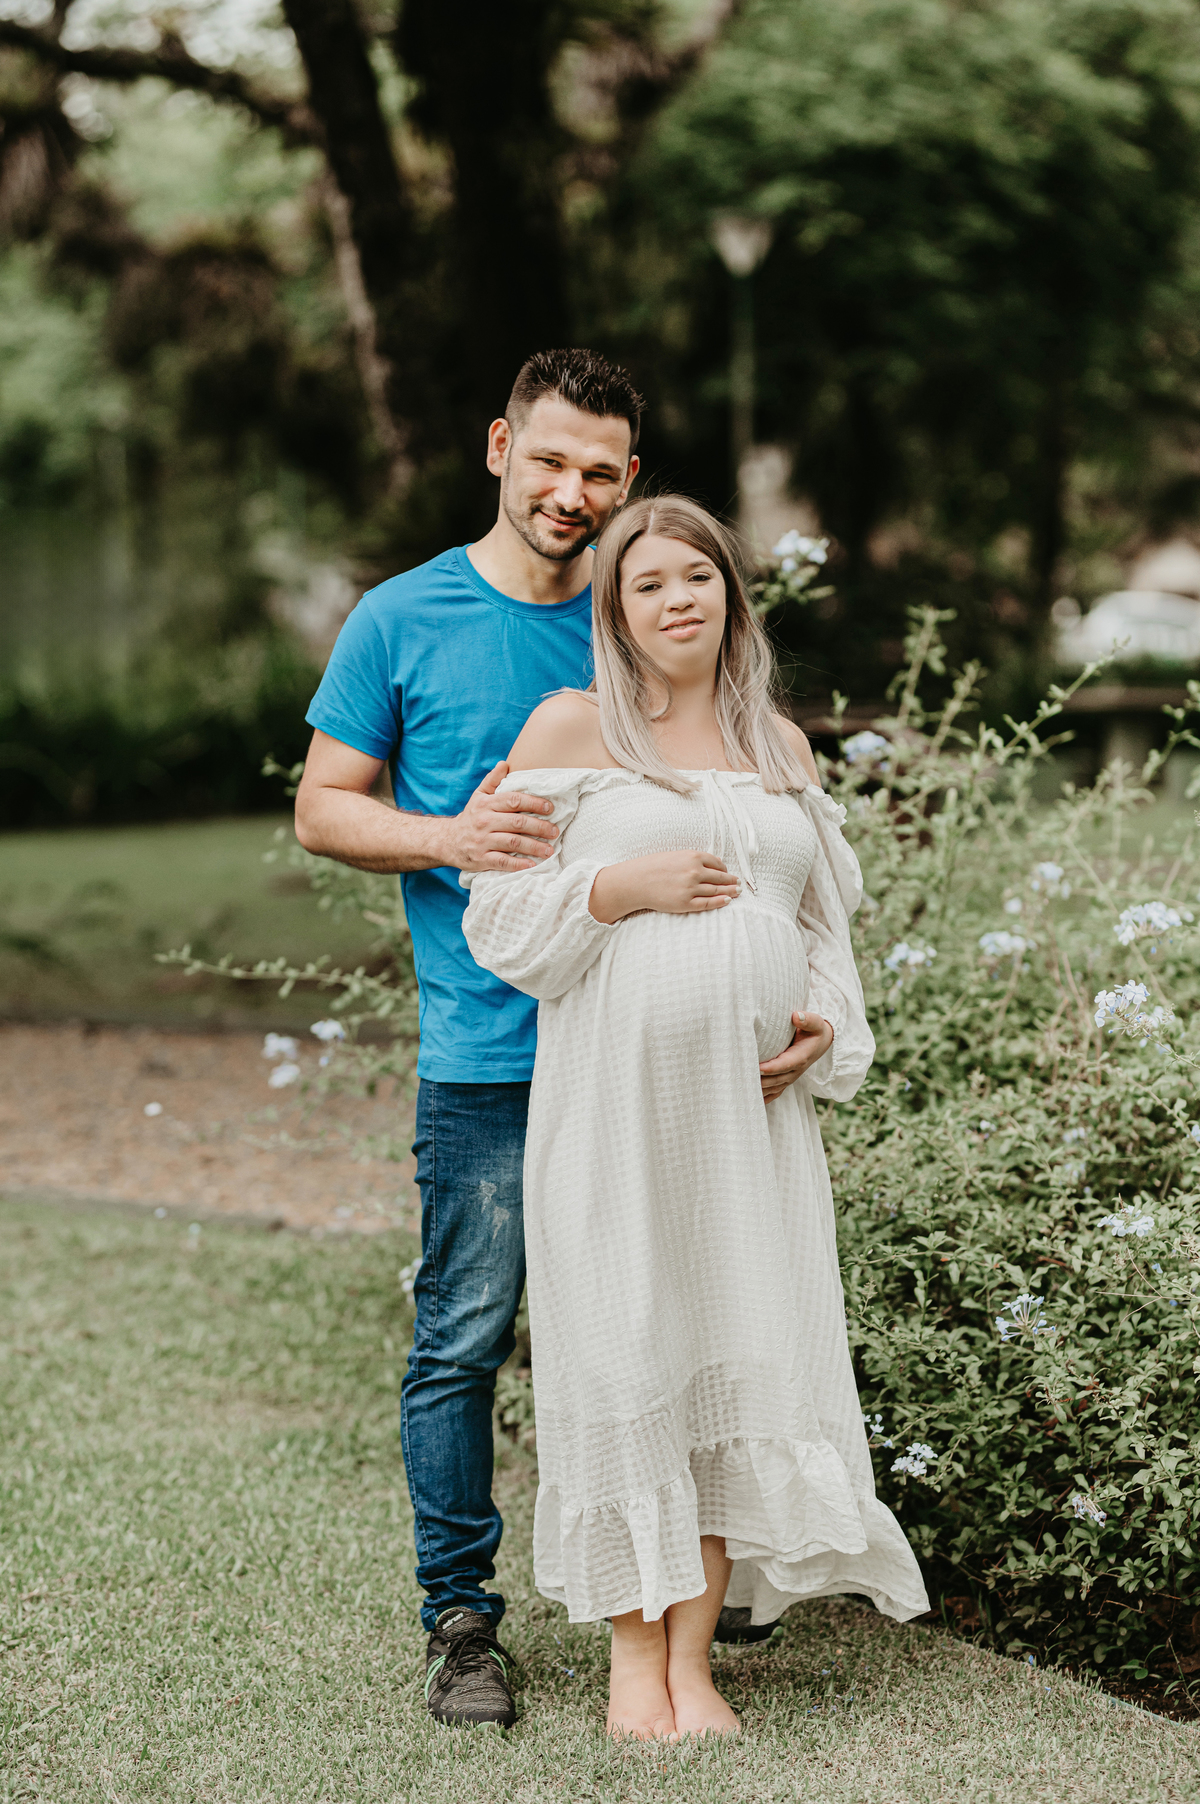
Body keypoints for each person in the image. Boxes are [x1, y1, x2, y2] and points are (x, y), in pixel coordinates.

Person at [461, 495, 929, 1740]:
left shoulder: (778, 744)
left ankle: (694, 1662)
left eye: (698, 576)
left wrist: (823, 1021)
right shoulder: (571, 728)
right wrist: (620, 885)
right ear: (615, 611)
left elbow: (822, 931)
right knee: (628, 1352)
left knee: (728, 1361)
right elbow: (498, 919)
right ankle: (633, 1663)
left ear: (732, 592)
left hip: (750, 1130)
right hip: (616, 1115)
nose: (678, 599)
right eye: (647, 583)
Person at [294, 349, 642, 1729]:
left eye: (600, 472)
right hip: (487, 1060)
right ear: (500, 447)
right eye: (549, 460)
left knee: (649, 1320)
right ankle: (462, 1622)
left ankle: (678, 1578)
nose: (571, 492)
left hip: (638, 1053)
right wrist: (450, 836)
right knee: (463, 1341)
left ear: (631, 482)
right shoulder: (402, 616)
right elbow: (324, 806)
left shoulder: (641, 618)